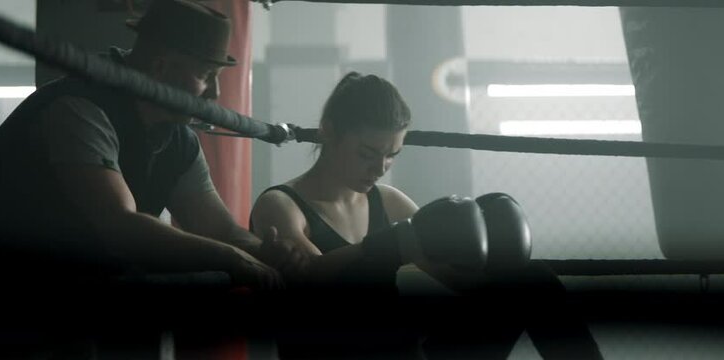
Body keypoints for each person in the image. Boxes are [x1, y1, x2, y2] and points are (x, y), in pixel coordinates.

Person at [0, 0, 288, 358]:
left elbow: (220, 228)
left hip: (78, 281)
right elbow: (119, 224)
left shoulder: (179, 140)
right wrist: (231, 257)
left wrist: (266, 253)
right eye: (206, 75)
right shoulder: (80, 107)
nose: (215, 94)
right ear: (161, 67)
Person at [250, 71, 603, 359]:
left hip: (407, 353)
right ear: (329, 131)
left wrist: (494, 257)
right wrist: (391, 245)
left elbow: (462, 283)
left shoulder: (388, 202)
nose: (380, 168)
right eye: (367, 154)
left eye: (392, 155)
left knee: (532, 279)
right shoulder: (281, 204)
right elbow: (311, 280)